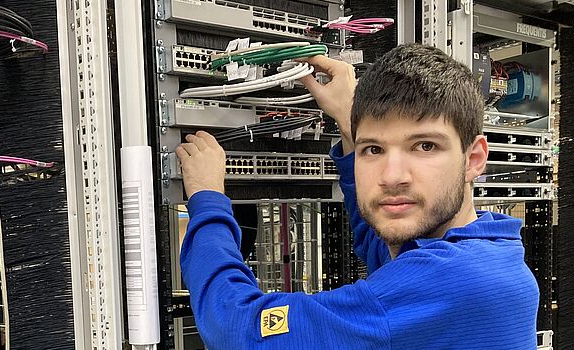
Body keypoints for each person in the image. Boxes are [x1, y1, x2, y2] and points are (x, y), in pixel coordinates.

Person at [175, 44, 539, 349]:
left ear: (473, 158)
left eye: (425, 146)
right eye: (374, 150)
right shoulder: (490, 247)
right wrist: (351, 125)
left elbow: (235, 329)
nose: (392, 177)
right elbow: (378, 244)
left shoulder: (453, 280)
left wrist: (207, 197)